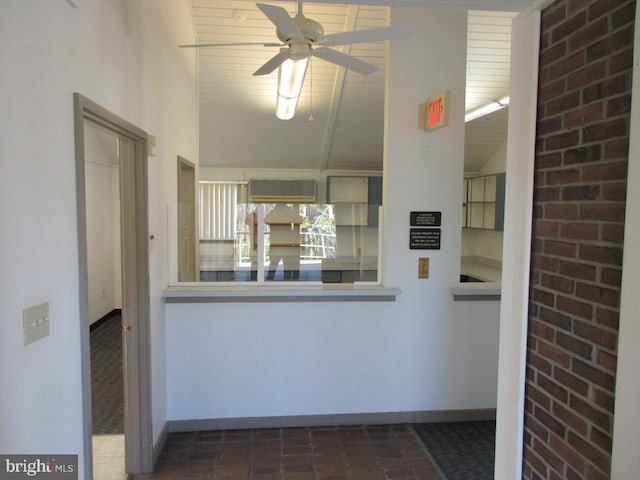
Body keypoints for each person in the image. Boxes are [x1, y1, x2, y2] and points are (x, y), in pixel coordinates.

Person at [264, 204, 303, 280]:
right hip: (285, 243)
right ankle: (286, 280)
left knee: (274, 264)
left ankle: (270, 280)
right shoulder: (287, 210)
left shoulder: (275, 212)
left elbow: (266, 220)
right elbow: (297, 219)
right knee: (286, 265)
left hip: (277, 243)